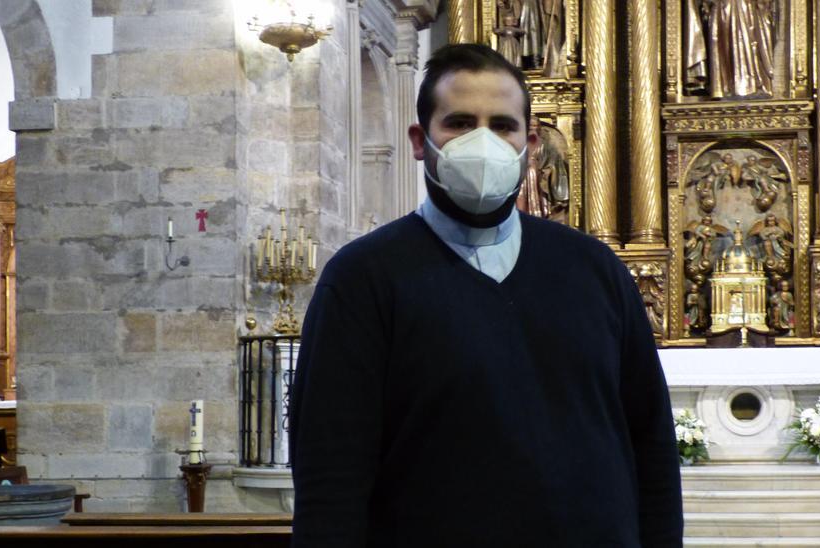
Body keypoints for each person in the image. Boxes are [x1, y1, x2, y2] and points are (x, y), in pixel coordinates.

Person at [289, 44, 683, 547]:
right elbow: (330, 476)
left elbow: (650, 443)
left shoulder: (596, 270)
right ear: (418, 140)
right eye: (458, 123)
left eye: (502, 125)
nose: (483, 141)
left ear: (530, 142)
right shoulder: (363, 278)